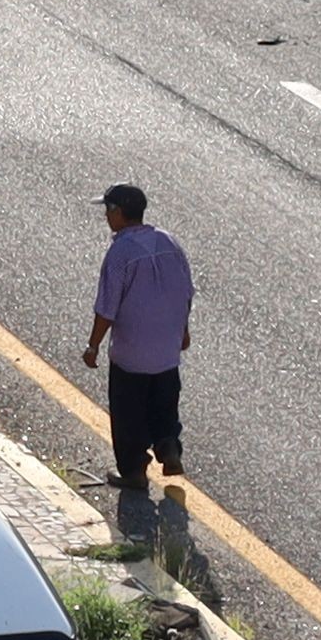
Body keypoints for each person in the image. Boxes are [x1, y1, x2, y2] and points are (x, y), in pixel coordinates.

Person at [85, 178, 194, 543]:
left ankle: (133, 470)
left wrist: (93, 346)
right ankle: (168, 444)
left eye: (107, 210)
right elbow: (185, 289)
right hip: (166, 350)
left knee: (128, 411)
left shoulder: (120, 253)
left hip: (131, 351)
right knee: (164, 400)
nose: (106, 216)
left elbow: (107, 307)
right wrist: (183, 330)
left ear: (118, 213)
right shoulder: (169, 242)